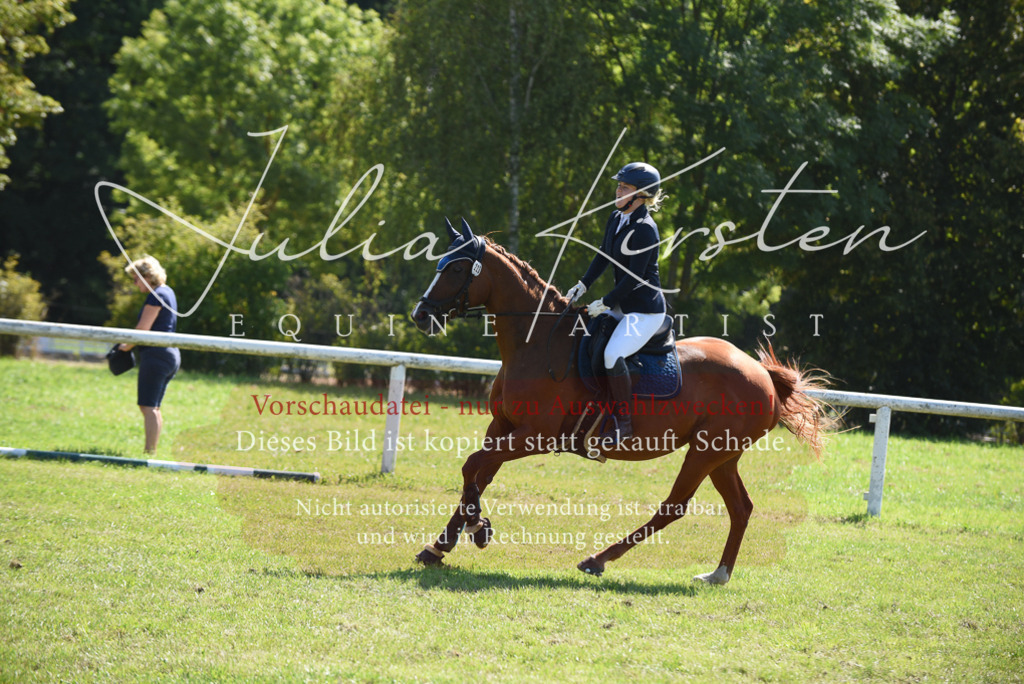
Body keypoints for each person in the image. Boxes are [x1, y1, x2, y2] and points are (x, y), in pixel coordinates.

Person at [565, 162, 667, 444]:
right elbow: (603, 254)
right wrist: (583, 284)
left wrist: (605, 302)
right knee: (585, 339)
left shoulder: (646, 229)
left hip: (645, 311)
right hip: (622, 305)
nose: (618, 191)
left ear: (641, 195)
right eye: (618, 186)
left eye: (624, 187)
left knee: (612, 355)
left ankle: (624, 424)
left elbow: (634, 278)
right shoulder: (616, 218)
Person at [117, 256, 180, 453]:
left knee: (147, 406)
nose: (135, 284)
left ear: (147, 276)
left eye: (136, 279)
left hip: (157, 355)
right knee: (153, 407)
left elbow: (143, 329)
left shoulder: (156, 295)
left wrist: (125, 346)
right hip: (170, 354)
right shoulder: (167, 292)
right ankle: (151, 450)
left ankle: (149, 452)